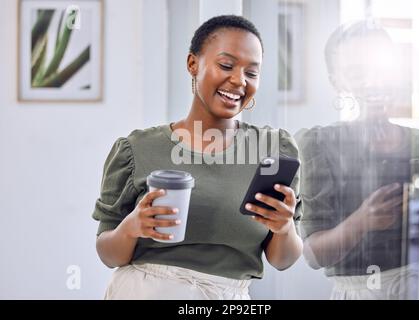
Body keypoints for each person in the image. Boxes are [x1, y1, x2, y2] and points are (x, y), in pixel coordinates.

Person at [92, 15, 303, 300]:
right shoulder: (136, 149)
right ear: (193, 64)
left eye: (251, 73)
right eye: (226, 65)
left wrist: (284, 226)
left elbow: (282, 260)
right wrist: (131, 227)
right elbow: (108, 254)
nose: (239, 80)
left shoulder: (274, 150)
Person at [296, 20, 419, 300]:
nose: (373, 82)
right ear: (336, 82)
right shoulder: (319, 145)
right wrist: (362, 222)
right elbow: (314, 255)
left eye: (381, 70)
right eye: (356, 73)